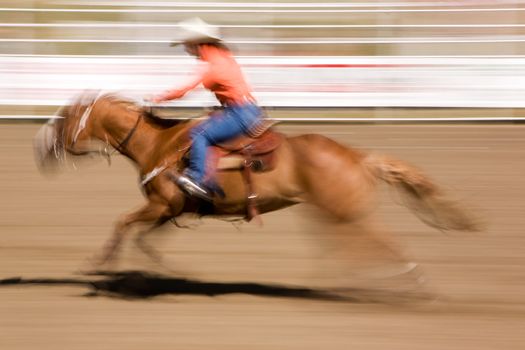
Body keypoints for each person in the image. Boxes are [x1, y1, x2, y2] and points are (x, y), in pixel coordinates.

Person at [150, 18, 263, 201]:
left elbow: (183, 89)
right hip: (245, 110)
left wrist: (158, 98)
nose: (186, 50)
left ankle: (198, 179)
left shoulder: (210, 65)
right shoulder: (222, 55)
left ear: (195, 44)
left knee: (198, 133)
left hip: (240, 113)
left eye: (186, 45)